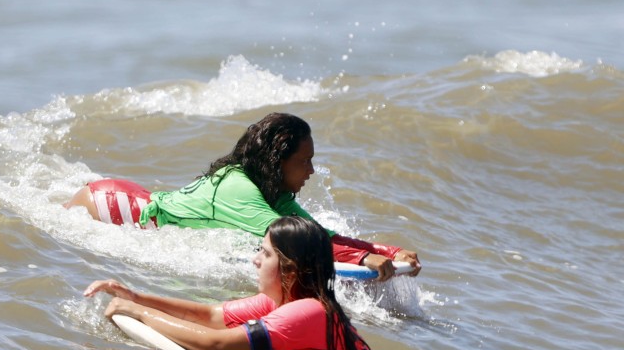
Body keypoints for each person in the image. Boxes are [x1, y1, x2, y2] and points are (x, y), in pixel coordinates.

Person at [66, 112, 420, 281]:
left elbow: (320, 238)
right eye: (304, 161)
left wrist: (385, 251)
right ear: (277, 162)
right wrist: (362, 261)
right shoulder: (237, 188)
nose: (311, 171)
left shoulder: (274, 190)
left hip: (135, 199)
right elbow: (294, 243)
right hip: (109, 206)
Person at [84, 216, 407, 350]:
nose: (255, 261)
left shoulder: (305, 312)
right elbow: (211, 317)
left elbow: (213, 344)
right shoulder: (282, 300)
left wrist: (137, 313)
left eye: (265, 254)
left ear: (291, 269)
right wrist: (138, 297)